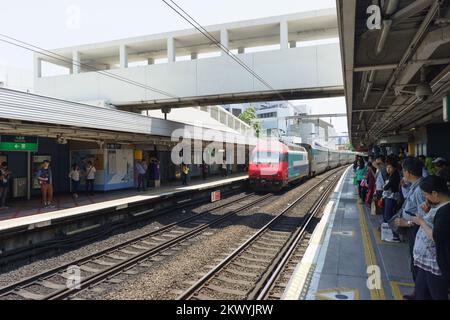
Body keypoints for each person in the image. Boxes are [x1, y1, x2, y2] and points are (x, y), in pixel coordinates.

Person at [410, 176, 450, 299]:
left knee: (437, 295)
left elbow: (436, 236)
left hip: (436, 264)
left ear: (435, 193)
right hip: (427, 262)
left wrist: (421, 221)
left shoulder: (446, 211)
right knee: (421, 291)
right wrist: (427, 212)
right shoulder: (440, 206)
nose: (425, 198)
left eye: (426, 195)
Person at [394, 157, 426, 299]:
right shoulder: (416, 186)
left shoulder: (420, 190)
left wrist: (406, 223)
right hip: (415, 231)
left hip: (418, 232)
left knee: (417, 263)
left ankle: (420, 294)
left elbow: (424, 217)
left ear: (408, 172)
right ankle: (418, 292)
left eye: (403, 171)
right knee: (416, 263)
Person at [382, 161, 401, 242]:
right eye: (387, 167)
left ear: (394, 168)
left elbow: (386, 187)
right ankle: (394, 234)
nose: (388, 169)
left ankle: (396, 235)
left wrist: (385, 187)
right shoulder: (389, 175)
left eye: (390, 167)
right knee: (388, 216)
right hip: (388, 197)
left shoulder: (395, 176)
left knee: (388, 216)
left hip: (392, 198)